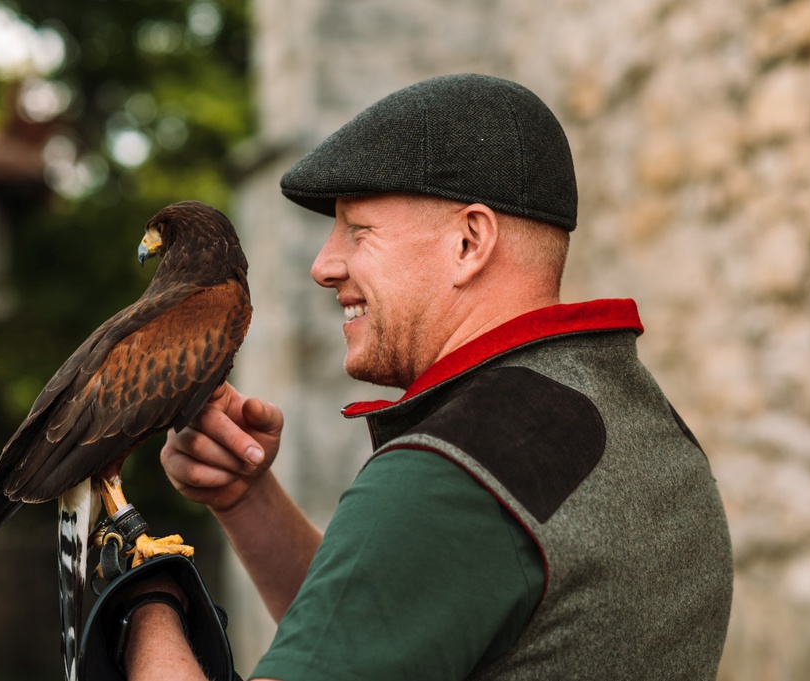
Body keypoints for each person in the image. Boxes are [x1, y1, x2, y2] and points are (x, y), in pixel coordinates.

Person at [116, 73, 733, 680]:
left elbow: (425, 548)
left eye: (358, 232)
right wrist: (246, 498)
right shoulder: (639, 415)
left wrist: (144, 597)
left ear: (469, 241)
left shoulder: (452, 474)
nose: (323, 265)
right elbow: (385, 624)